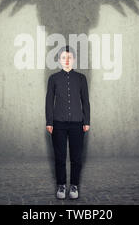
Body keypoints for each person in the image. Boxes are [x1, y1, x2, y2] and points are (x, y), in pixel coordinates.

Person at [45, 45, 90, 199]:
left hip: (78, 123)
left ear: (74, 60)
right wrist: (49, 121)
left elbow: (86, 101)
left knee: (76, 157)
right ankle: (61, 185)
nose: (66, 60)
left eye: (69, 57)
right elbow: (49, 101)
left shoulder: (81, 78)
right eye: (63, 58)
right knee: (60, 156)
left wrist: (87, 120)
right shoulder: (53, 79)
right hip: (58, 123)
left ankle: (74, 186)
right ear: (59, 60)